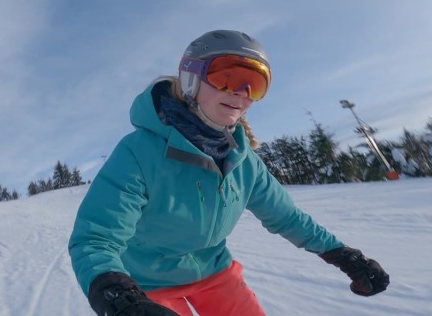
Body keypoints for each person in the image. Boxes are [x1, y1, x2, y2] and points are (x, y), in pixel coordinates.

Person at [68, 30, 389, 316]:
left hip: (216, 275)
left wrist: (344, 255)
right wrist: (119, 298)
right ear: (191, 78)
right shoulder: (140, 152)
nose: (242, 93)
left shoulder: (244, 162)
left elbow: (288, 218)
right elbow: (96, 238)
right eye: (228, 77)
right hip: (145, 286)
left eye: (256, 84)